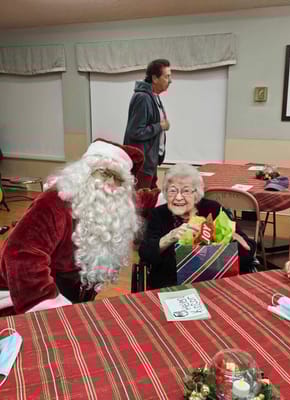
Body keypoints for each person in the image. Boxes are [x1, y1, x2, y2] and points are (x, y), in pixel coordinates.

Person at [0, 140, 142, 316]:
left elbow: (144, 199)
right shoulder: (54, 202)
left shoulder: (114, 210)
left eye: (118, 179)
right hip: (26, 306)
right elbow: (20, 255)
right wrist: (55, 307)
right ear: (83, 173)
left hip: (73, 302)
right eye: (104, 173)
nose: (109, 184)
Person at [139, 164, 256, 289]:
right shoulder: (159, 214)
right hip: (173, 285)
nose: (178, 197)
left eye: (186, 191)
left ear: (197, 193)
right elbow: (146, 254)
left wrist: (229, 239)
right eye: (172, 190)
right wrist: (169, 237)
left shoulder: (213, 209)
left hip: (216, 282)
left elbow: (248, 252)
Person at [124, 59, 172, 190]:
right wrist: (160, 126)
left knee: (150, 200)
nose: (170, 81)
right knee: (142, 205)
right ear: (155, 78)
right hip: (142, 165)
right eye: (167, 76)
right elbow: (135, 132)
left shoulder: (154, 96)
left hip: (150, 162)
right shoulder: (143, 98)